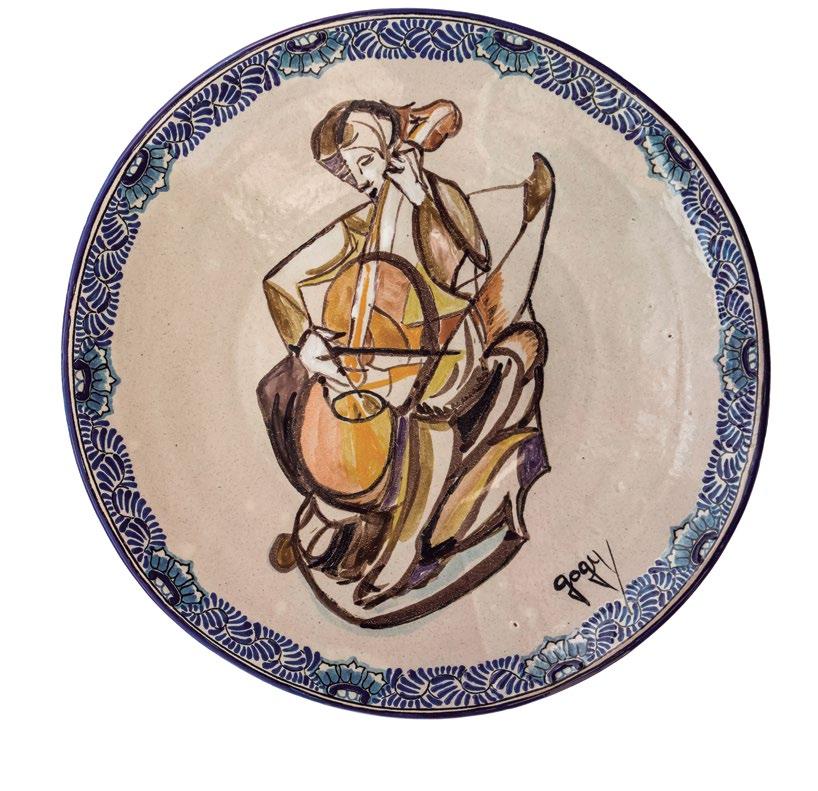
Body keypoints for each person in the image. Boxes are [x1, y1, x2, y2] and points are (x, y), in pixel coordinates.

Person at [257, 98, 555, 628]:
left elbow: (471, 277)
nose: (365, 178)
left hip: (447, 338)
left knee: (427, 407)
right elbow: (280, 282)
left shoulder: (440, 198)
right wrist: (304, 341)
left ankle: (405, 547)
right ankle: (330, 509)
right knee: (286, 388)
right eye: (354, 170)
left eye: (369, 159)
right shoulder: (360, 225)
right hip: (376, 347)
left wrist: (422, 202)